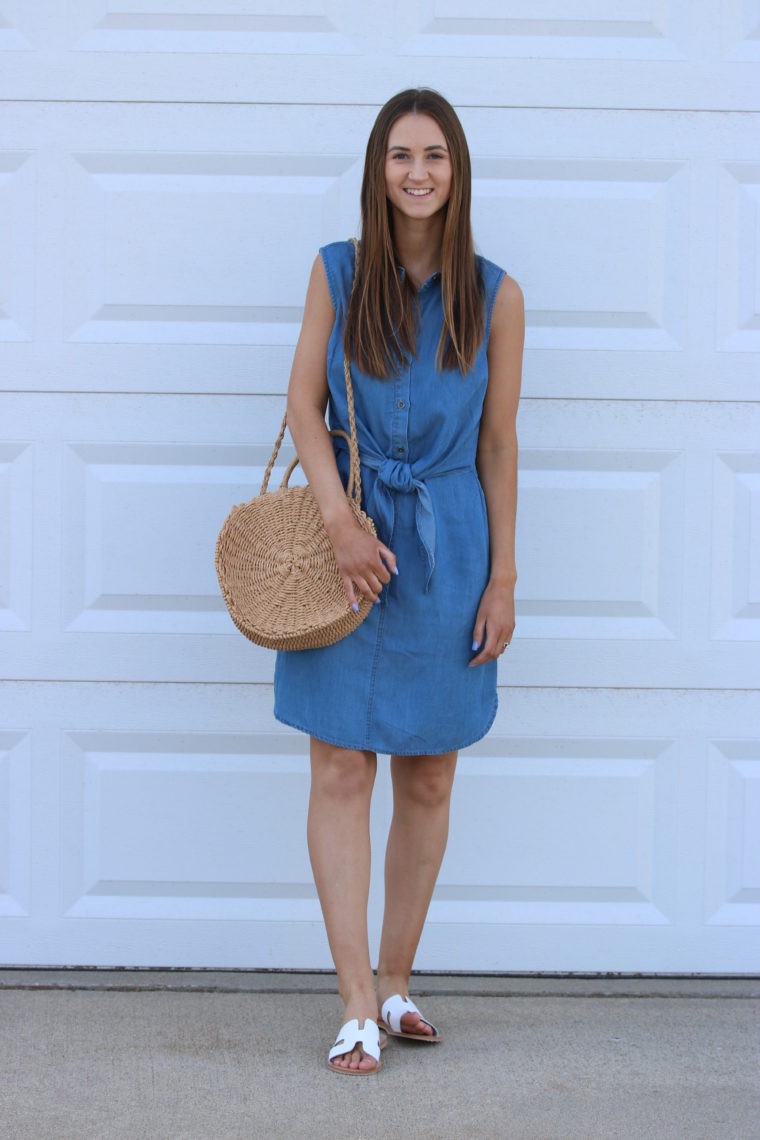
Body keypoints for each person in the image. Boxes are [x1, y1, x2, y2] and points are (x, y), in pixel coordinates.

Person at [273, 88, 524, 1074]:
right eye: (399, 155)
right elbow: (300, 399)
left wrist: (502, 576)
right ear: (377, 171)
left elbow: (500, 442)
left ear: (456, 172)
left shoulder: (495, 294)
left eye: (435, 155)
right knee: (340, 767)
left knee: (429, 772)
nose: (417, 171)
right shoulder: (337, 274)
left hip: (449, 547)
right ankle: (349, 1008)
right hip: (349, 544)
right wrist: (338, 520)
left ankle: (395, 983)